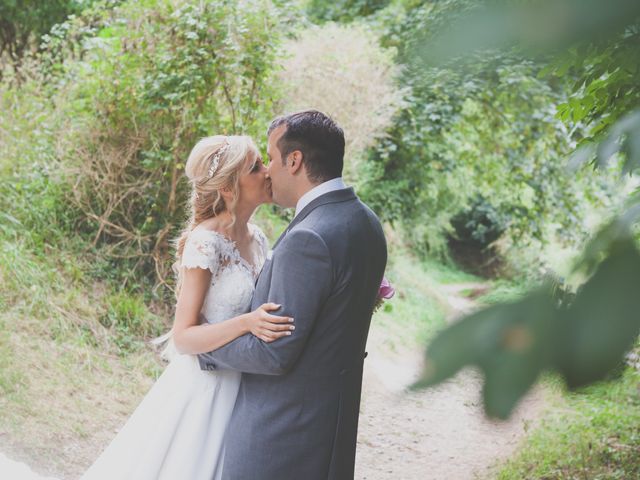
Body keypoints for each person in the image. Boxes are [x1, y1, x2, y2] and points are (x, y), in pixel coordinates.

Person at [82, 135, 293, 480]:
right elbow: (184, 337)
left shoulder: (258, 239)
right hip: (204, 389)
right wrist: (247, 323)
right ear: (228, 187)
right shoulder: (206, 242)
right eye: (256, 167)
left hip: (245, 386)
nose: (268, 171)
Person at [198, 110, 388, 479]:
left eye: (270, 157)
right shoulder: (367, 223)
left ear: (295, 160)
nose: (268, 170)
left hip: (281, 437)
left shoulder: (308, 237)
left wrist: (202, 346)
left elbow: (273, 354)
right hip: (332, 428)